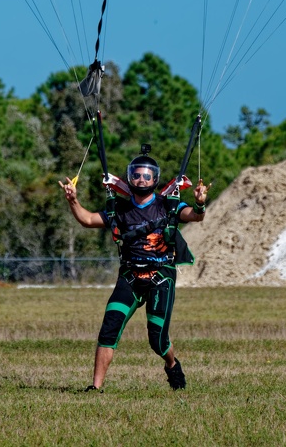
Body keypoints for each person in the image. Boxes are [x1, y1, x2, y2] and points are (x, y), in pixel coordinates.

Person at [59, 149, 209, 392]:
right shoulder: (119, 209)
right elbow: (87, 220)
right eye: (137, 175)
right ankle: (95, 388)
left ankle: (172, 364)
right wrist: (73, 200)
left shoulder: (167, 205)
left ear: (155, 179)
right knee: (109, 327)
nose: (141, 180)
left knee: (157, 339)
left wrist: (200, 203)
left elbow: (194, 216)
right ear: (130, 178)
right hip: (129, 276)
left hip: (161, 277)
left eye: (147, 176)